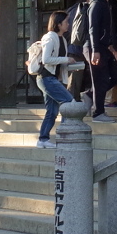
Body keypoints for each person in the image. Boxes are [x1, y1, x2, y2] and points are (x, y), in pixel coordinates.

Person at [32, 12, 81, 148]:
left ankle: (43, 139)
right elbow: (46, 59)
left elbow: (58, 63)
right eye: (66, 22)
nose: (68, 24)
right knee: (69, 102)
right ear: (58, 24)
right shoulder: (50, 37)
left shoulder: (63, 39)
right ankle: (64, 136)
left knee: (52, 111)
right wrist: (66, 59)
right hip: (46, 78)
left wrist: (71, 65)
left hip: (51, 78)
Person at [83, 0, 117, 123]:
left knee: (116, 76)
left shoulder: (105, 4)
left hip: (104, 47)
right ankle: (98, 112)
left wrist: (112, 49)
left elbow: (107, 31)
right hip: (95, 47)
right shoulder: (96, 4)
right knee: (100, 80)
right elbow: (93, 29)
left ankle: (89, 95)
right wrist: (96, 50)